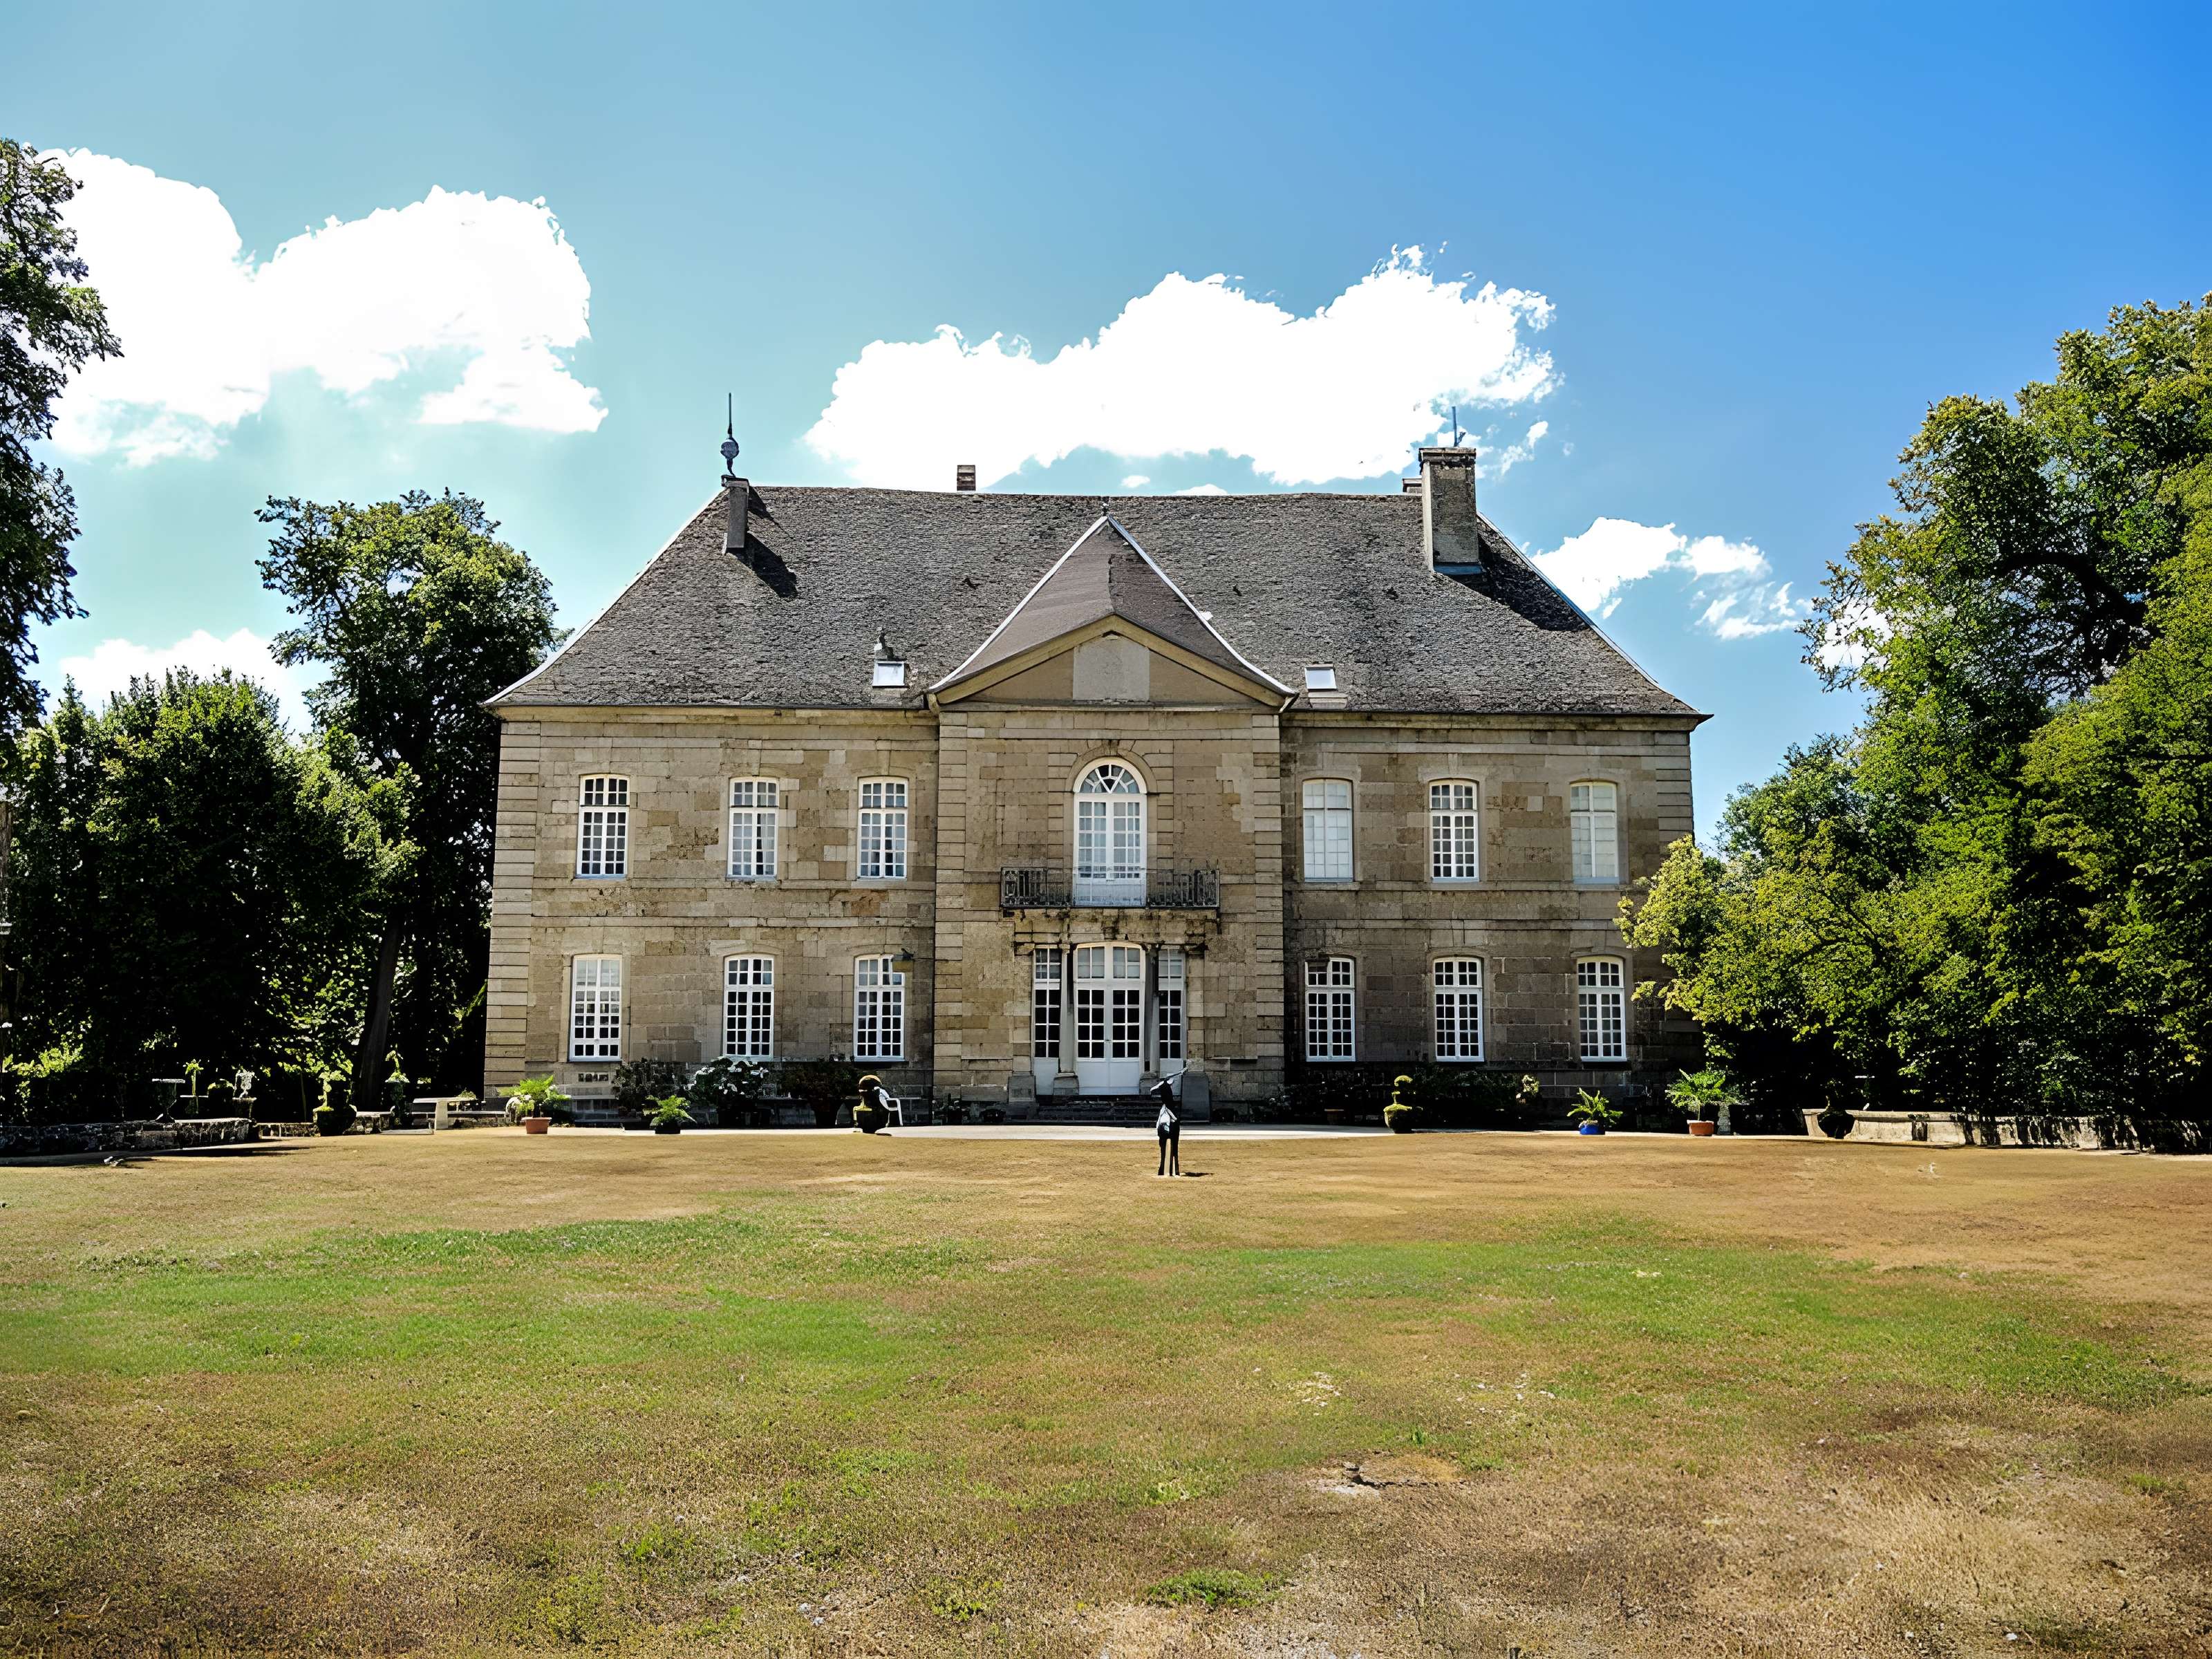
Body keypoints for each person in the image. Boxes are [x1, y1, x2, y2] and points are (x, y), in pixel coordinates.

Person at [1152, 1077, 1180, 1177]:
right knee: (1174, 1149)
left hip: (1164, 1120)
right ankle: (1174, 1170)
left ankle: (1163, 1170)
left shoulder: (1163, 1107)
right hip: (1172, 1122)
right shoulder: (1169, 1104)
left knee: (1163, 1149)